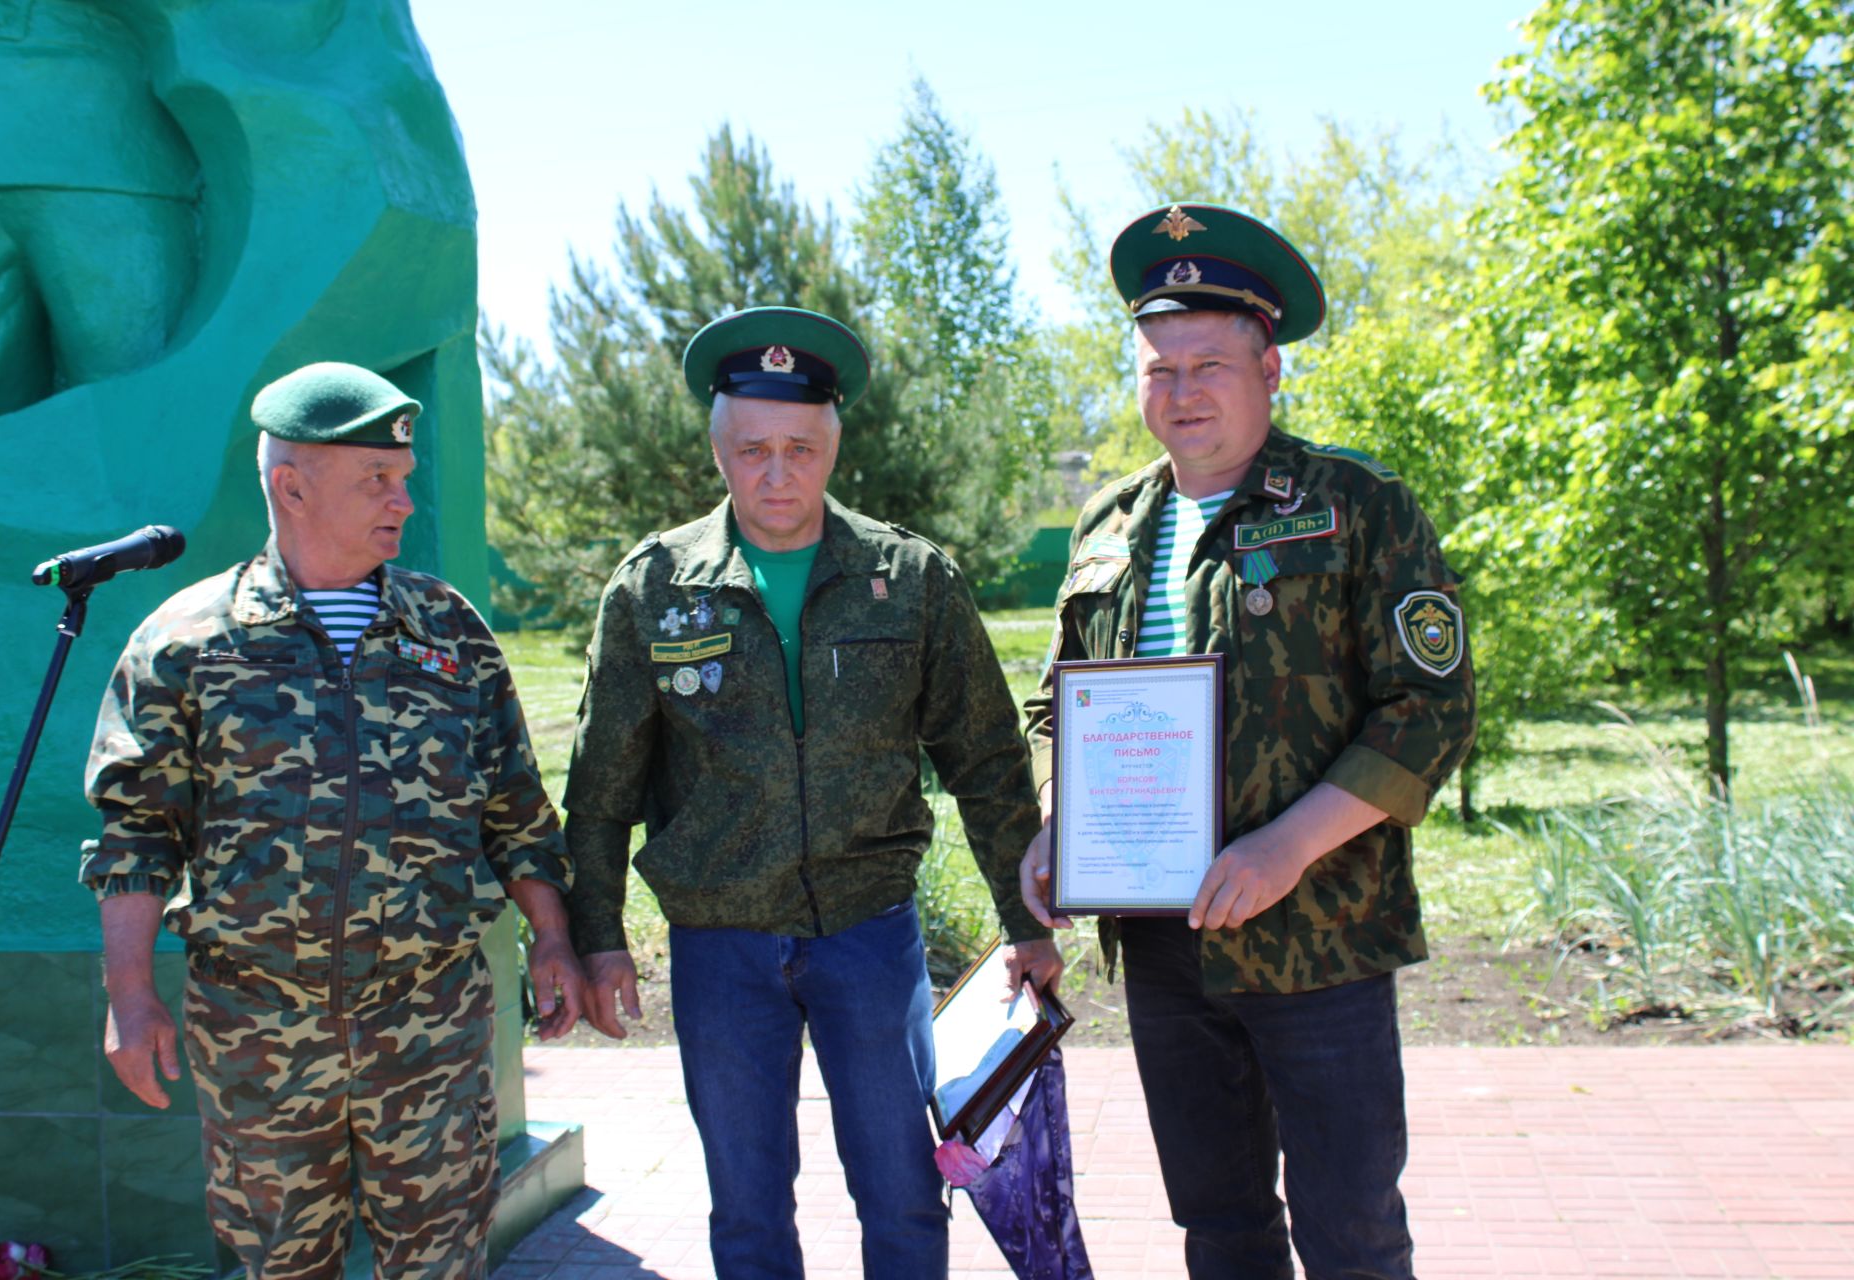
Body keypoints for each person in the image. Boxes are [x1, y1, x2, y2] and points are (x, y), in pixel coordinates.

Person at [1019, 204, 1477, 1279]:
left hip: (1318, 932)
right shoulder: (1107, 524)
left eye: (1209, 364)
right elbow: (1058, 704)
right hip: (1161, 939)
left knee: (1352, 1226)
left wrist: (1287, 846)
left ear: (1270, 368)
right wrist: (1055, 818)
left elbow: (1430, 705)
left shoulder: (1354, 503)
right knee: (1219, 1223)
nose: (1181, 392)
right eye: (1158, 367)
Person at [562, 306, 1063, 1280]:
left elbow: (989, 759)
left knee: (904, 1194)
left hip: (869, 937)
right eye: (753, 449)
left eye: (799, 446)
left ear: (833, 442)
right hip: (721, 946)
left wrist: (1026, 917)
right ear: (718, 448)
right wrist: (597, 933)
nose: (777, 473)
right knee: (747, 1209)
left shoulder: (908, 577)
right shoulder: (654, 587)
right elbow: (600, 782)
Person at [81, 361, 584, 1280]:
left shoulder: (448, 631)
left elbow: (515, 802)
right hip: (259, 1033)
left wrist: (552, 937)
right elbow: (136, 837)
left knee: (440, 1265)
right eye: (376, 481)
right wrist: (129, 997)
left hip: (429, 1023)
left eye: (402, 477)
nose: (403, 498)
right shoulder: (190, 642)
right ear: (291, 486)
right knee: (282, 1267)